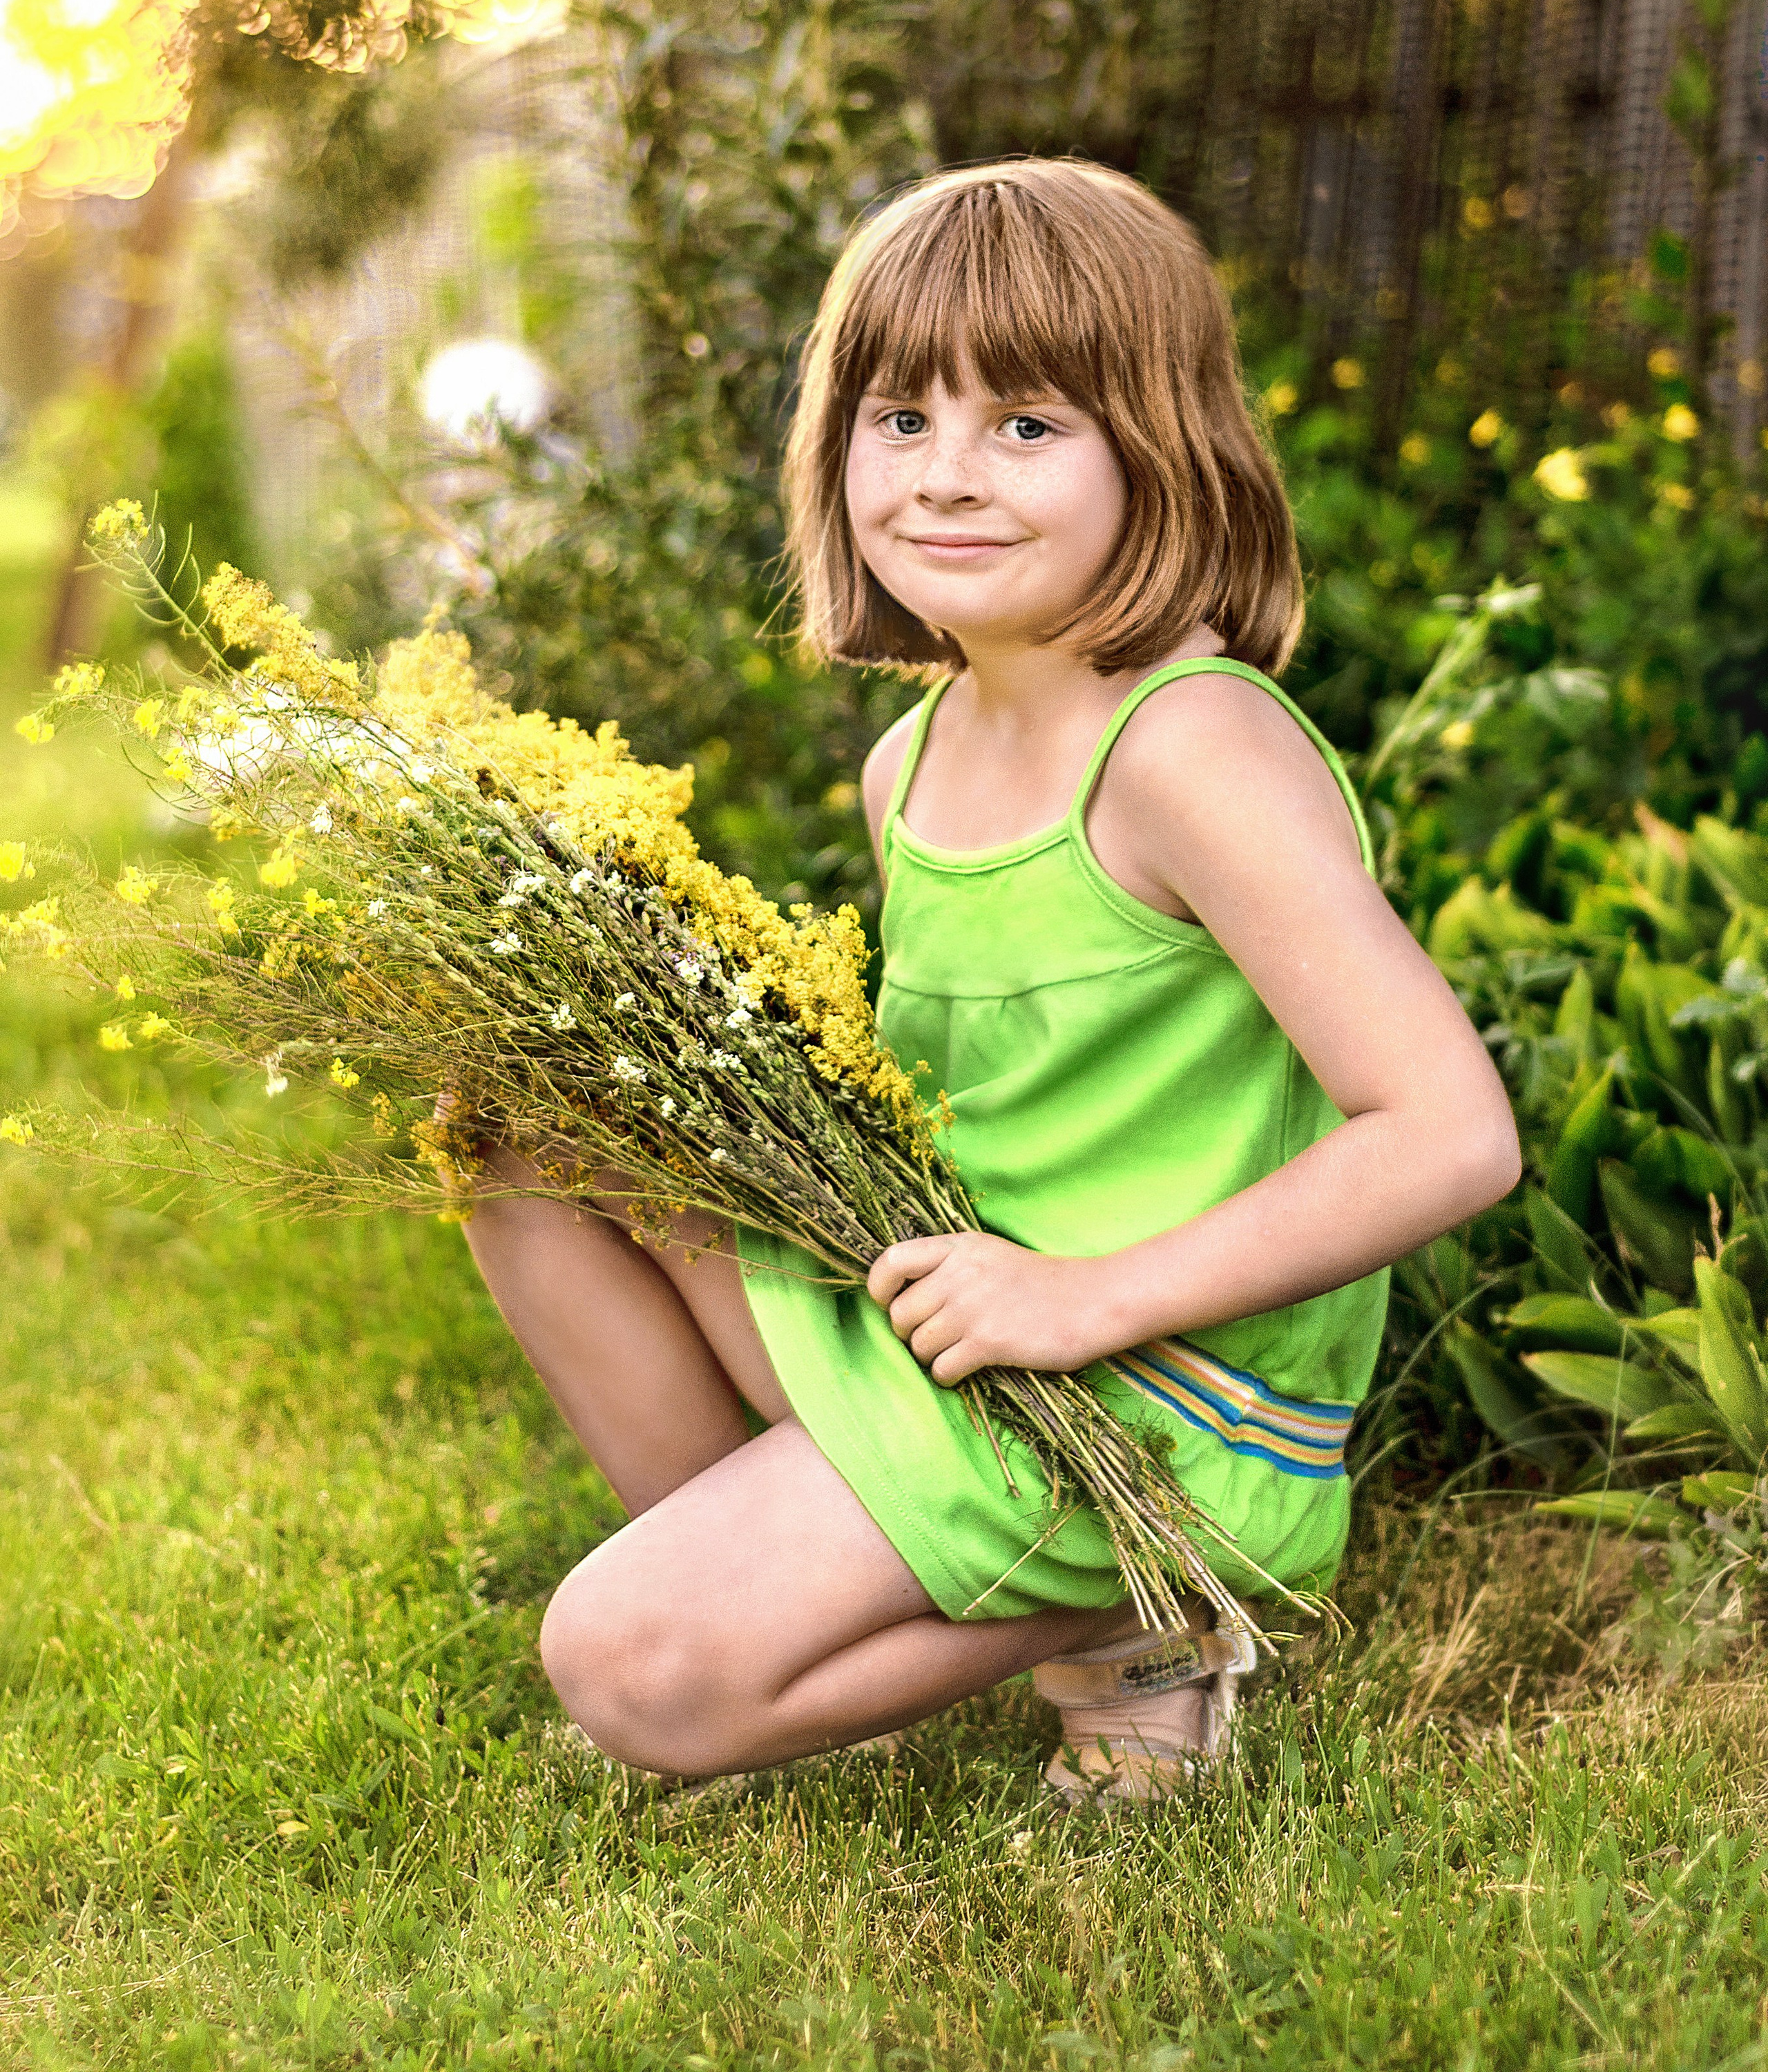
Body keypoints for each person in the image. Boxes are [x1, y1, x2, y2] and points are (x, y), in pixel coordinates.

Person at [463, 159, 1519, 1803]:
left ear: (1159, 452)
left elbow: (1448, 1134)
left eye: (1025, 424)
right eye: (899, 419)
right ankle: (811, 1598)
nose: (945, 476)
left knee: (622, 1665)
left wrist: (1086, 1298)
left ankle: (1133, 1607)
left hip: (1158, 1393)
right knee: (519, 1126)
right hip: (966, 1324)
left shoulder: (1187, 749)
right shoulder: (910, 762)